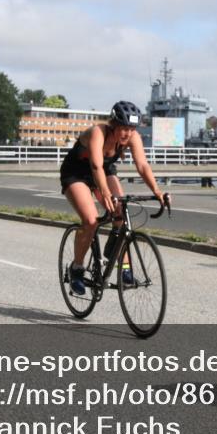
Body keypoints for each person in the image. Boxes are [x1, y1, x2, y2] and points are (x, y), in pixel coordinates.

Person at [60, 101, 167, 292]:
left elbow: (142, 166)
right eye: (124, 128)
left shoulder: (133, 137)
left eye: (131, 129)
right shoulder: (98, 132)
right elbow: (95, 166)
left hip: (105, 170)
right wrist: (106, 193)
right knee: (91, 221)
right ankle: (76, 268)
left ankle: (122, 264)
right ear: (114, 125)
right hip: (77, 172)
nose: (127, 133)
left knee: (121, 213)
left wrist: (157, 191)